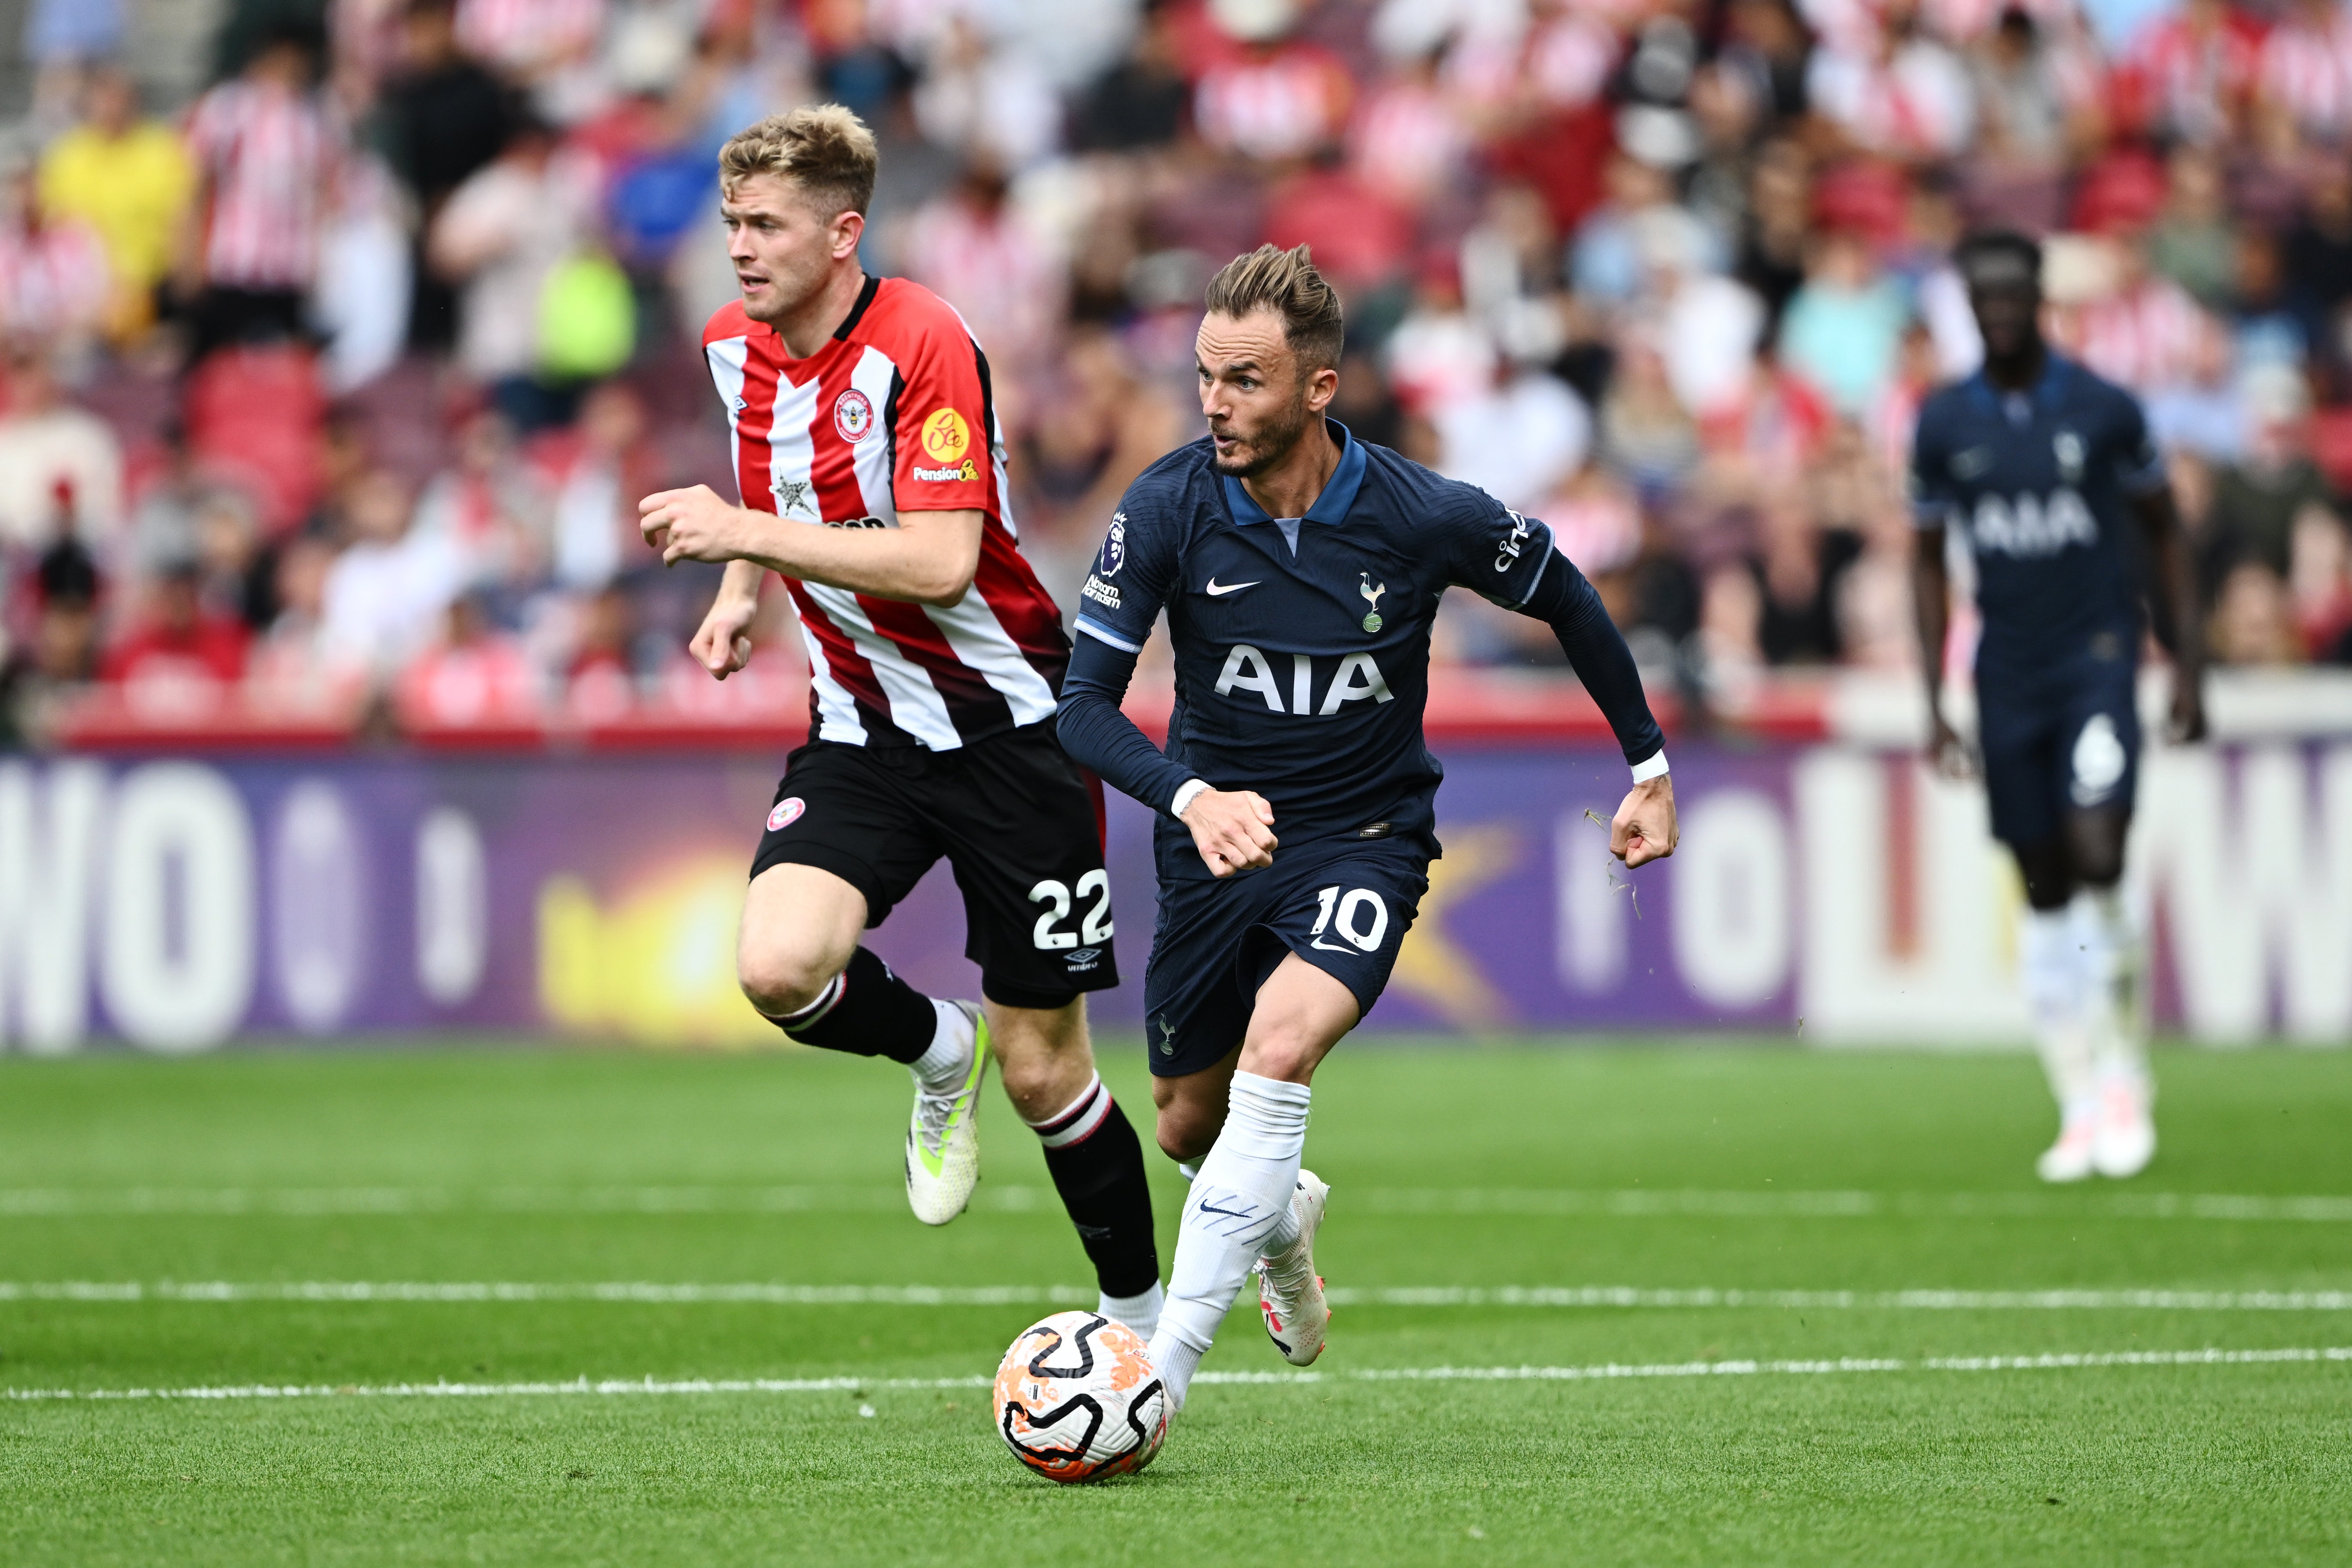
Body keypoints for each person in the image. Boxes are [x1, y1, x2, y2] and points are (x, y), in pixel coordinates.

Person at [1054, 244, 1677, 1415]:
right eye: (1206, 376)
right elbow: (1079, 708)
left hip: (1363, 841)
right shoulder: (1169, 505)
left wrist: (1646, 765)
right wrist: (1191, 799)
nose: (1215, 403)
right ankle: (1282, 1228)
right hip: (1211, 845)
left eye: (1244, 381)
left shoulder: (1418, 511)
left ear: (1319, 389)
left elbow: (1569, 595)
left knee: (1279, 1050)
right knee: (1189, 1119)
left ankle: (1156, 1379)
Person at [635, 107, 1162, 1337]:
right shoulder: (735, 345)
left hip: (1014, 730)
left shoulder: (924, 340)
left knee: (1047, 1072)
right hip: (863, 724)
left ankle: (1138, 1332)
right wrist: (737, 595)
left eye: (767, 226)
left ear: (844, 233)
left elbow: (938, 561)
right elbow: (774, 488)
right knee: (776, 964)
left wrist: (738, 538)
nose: (742, 250)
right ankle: (936, 1049)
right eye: (733, 225)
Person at [1909, 230, 2207, 1184]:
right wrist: (1932, 697)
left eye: (2010, 294)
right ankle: (2075, 1092)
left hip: (2096, 659)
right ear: (1967, 305)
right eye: (1980, 296)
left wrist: (2188, 663)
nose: (1997, 310)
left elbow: (2163, 533)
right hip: (2005, 673)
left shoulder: (2104, 408)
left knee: (2099, 850)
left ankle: (2124, 1069)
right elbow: (1924, 558)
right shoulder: (1943, 421)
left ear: (2037, 299)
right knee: (2038, 880)